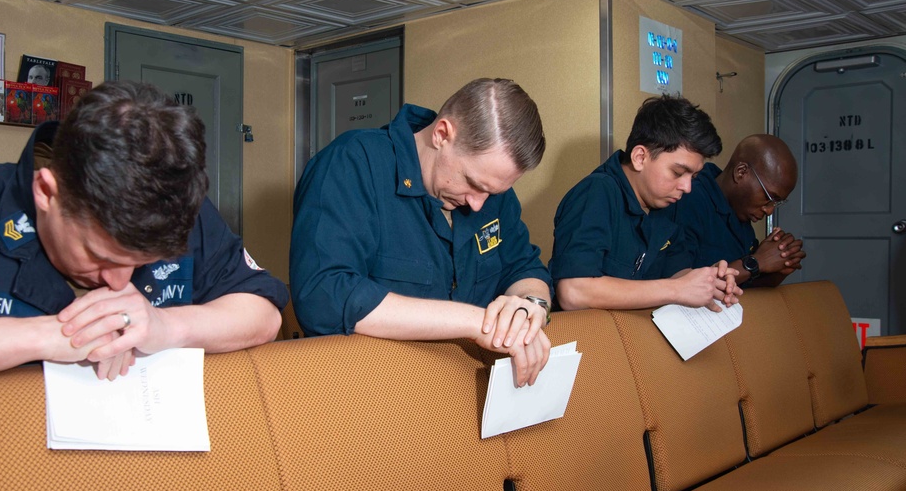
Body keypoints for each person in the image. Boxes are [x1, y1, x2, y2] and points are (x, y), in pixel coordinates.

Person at [0, 80, 288, 388]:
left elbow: (263, 315)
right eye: (100, 256)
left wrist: (165, 326)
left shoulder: (173, 207)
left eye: (141, 264)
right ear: (47, 192)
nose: (119, 281)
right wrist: (48, 337)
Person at [290, 78, 552, 387]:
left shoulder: (491, 192)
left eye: (493, 192)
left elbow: (524, 266)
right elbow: (324, 295)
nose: (479, 204)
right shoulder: (353, 163)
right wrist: (478, 323)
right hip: (369, 387)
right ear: (442, 134)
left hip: (462, 387)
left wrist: (529, 306)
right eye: (474, 184)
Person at [551, 94, 741, 312]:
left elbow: (675, 272)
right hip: (589, 338)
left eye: (694, 177)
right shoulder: (596, 194)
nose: (687, 187)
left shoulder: (666, 204)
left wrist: (707, 280)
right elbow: (574, 291)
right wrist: (676, 289)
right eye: (678, 172)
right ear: (640, 157)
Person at [664, 133, 804, 286]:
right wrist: (756, 262)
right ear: (741, 172)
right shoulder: (688, 199)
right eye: (768, 197)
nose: (769, 211)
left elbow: (745, 290)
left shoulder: (741, 213)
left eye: (777, 203)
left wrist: (778, 268)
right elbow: (681, 286)